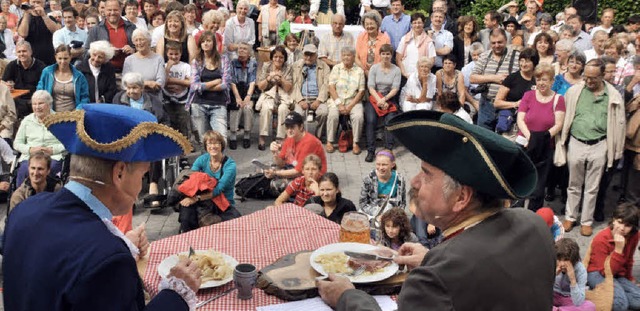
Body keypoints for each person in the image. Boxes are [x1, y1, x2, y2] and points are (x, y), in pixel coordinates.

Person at [317, 110, 555, 310]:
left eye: (427, 174)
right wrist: (432, 260)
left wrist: (346, 296)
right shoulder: (532, 223)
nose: (414, 181)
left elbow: (459, 273)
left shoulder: (432, 280)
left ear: (461, 197)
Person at [3, 103, 202, 310]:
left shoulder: (24, 210)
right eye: (142, 175)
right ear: (120, 173)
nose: (140, 187)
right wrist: (176, 293)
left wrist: (116, 243)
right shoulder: (110, 259)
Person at [556, 59, 626, 237]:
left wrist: (617, 150)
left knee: (593, 186)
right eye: (586, 77)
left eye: (593, 78)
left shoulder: (613, 96)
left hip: (600, 143)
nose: (588, 81)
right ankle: (571, 216)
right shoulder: (575, 91)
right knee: (573, 184)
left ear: (602, 76)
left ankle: (586, 220)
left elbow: (619, 124)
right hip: (576, 141)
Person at [113, 72, 167, 215]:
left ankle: (153, 186)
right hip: (127, 138)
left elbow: (163, 119)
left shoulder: (153, 101)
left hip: (149, 137)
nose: (131, 91)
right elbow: (115, 120)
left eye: (135, 88)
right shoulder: (118, 99)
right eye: (128, 88)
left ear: (142, 88)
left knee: (154, 150)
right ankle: (130, 195)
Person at [516, 63, 565, 211]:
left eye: (544, 79)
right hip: (525, 143)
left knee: (538, 188)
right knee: (520, 182)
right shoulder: (528, 95)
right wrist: (531, 137)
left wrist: (541, 139)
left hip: (545, 146)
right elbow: (520, 119)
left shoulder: (559, 99)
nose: (541, 83)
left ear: (552, 81)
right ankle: (515, 215)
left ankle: (533, 217)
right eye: (538, 80)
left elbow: (558, 124)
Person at [179, 129, 240, 231]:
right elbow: (191, 178)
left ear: (222, 145)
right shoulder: (202, 159)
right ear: (206, 147)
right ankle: (185, 234)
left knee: (215, 223)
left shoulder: (230, 165)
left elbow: (218, 190)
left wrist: (195, 199)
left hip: (222, 203)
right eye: (209, 144)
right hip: (204, 201)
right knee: (185, 211)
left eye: (216, 143)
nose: (213, 147)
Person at [586, 203, 640, 311]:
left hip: (618, 273)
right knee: (620, 305)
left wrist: (629, 278)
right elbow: (605, 272)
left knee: (637, 301)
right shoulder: (601, 238)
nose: (622, 228)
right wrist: (618, 250)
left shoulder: (634, 235)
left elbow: (629, 259)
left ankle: (611, 295)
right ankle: (590, 296)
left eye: (628, 225)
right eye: (620, 223)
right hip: (598, 273)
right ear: (614, 220)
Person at [12, 90, 64, 192]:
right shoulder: (27, 121)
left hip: (53, 156)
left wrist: (52, 150)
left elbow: (67, 144)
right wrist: (30, 150)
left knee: (50, 169)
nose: (37, 107)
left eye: (40, 103)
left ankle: (47, 198)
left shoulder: (59, 120)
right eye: (34, 104)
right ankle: (21, 199)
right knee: (24, 170)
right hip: (30, 156)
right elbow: (17, 143)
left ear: (49, 104)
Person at [471, 28, 520, 131]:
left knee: (503, 139)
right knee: (483, 137)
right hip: (486, 104)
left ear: (506, 41)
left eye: (500, 42)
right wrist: (494, 78)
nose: (496, 45)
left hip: (507, 105)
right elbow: (472, 78)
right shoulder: (484, 56)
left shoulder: (516, 56)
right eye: (493, 43)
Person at [187, 30, 230, 142]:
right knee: (203, 140)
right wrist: (215, 82)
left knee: (222, 139)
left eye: (208, 41)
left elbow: (225, 84)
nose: (205, 43)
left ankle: (219, 159)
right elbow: (194, 86)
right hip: (199, 103)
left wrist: (204, 86)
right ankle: (206, 160)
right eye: (203, 41)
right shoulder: (196, 61)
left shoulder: (223, 60)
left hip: (218, 104)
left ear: (214, 43)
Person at [264, 111, 327, 181]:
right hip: (294, 168)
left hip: (312, 176)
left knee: (276, 183)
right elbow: (281, 164)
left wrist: (275, 173)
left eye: (292, 127)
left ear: (301, 127)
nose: (289, 130)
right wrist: (275, 153)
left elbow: (299, 171)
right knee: (264, 171)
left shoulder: (309, 142)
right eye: (287, 127)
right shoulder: (290, 138)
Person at [327, 46, 365, 155]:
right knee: (333, 115)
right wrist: (339, 104)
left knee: (358, 117)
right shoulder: (336, 68)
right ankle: (330, 141)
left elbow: (361, 91)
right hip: (337, 100)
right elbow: (331, 87)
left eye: (348, 55)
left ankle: (355, 143)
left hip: (353, 101)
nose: (346, 57)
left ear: (353, 57)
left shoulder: (359, 71)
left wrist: (350, 106)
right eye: (344, 55)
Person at [493, 47, 538, 140]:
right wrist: (516, 104)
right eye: (522, 60)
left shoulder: (538, 80)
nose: (524, 64)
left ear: (534, 63)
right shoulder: (512, 78)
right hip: (512, 124)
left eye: (528, 61)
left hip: (531, 123)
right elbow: (497, 102)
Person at [365, 44, 400, 162]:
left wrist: (384, 100)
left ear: (391, 55)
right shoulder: (374, 68)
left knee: (390, 121)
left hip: (389, 98)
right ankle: (370, 150)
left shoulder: (396, 70)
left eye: (388, 54)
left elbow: (395, 89)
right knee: (370, 120)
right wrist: (379, 100)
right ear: (379, 55)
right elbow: (370, 87)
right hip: (375, 97)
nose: (385, 56)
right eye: (383, 54)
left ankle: (388, 149)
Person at [255, 46, 293, 149]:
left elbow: (288, 87)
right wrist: (269, 78)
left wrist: (281, 79)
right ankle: (262, 137)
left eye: (281, 57)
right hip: (268, 95)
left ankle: (280, 138)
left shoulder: (288, 67)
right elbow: (260, 86)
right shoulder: (266, 66)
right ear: (272, 57)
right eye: (275, 57)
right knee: (266, 108)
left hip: (283, 96)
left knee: (283, 109)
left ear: (284, 58)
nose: (278, 59)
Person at [291, 44, 330, 144]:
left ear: (316, 55)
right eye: (306, 54)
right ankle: (301, 137)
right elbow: (293, 85)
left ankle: (319, 136)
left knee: (324, 112)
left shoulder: (324, 66)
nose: (308, 57)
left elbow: (326, 85)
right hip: (302, 97)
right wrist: (300, 100)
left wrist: (319, 100)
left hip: (318, 98)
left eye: (311, 55)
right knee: (298, 114)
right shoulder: (296, 66)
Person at [84, 0, 135, 72]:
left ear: (121, 10)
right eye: (109, 10)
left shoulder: (131, 27)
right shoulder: (96, 30)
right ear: (104, 11)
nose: (112, 13)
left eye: (115, 10)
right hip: (104, 72)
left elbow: (141, 50)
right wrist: (105, 52)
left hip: (129, 71)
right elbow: (86, 52)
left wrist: (133, 50)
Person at [36, 45, 90, 111]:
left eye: (65, 58)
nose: (62, 62)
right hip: (51, 114)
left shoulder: (79, 76)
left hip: (74, 115)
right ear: (55, 57)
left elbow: (85, 97)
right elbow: (39, 92)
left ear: (70, 57)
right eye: (60, 58)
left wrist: (78, 110)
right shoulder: (47, 72)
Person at [1, 41, 45, 118]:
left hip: (34, 98)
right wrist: (7, 85)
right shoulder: (12, 65)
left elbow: (44, 86)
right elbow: (3, 82)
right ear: (16, 53)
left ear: (30, 52)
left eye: (24, 51)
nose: (21, 54)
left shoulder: (41, 66)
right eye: (19, 52)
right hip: (17, 99)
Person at [358, 149, 406, 221]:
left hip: (392, 213)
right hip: (372, 212)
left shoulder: (399, 179)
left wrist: (390, 215)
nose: (380, 168)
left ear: (392, 165)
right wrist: (377, 214)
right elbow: (362, 203)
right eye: (378, 164)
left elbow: (402, 204)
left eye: (384, 165)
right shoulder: (369, 179)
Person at [123, 29, 165, 100]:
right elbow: (125, 82)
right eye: (136, 40)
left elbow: (160, 83)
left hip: (154, 98)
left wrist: (136, 85)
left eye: (142, 39)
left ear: (149, 41)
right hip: (134, 98)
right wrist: (147, 83)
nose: (139, 43)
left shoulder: (158, 59)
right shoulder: (129, 60)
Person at [554, 238, 596, 311]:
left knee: (590, 306)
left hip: (569, 298)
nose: (562, 264)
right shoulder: (552, 262)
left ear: (573, 260)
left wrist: (573, 279)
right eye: (559, 259)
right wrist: (553, 275)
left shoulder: (580, 270)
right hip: (552, 295)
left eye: (566, 260)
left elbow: (578, 302)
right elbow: (541, 289)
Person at [228, 42, 256, 150]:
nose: (241, 50)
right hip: (235, 90)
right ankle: (233, 135)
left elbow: (252, 81)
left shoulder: (252, 63)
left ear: (249, 53)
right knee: (236, 107)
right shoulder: (233, 63)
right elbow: (232, 82)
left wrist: (248, 96)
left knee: (248, 108)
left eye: (244, 49)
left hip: (248, 89)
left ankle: (247, 135)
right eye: (239, 48)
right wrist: (238, 97)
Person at [17, 0, 60, 65]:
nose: (35, 4)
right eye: (33, 2)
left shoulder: (49, 17)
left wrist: (43, 15)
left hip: (48, 57)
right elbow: (23, 34)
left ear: (44, 4)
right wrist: (26, 14)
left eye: (38, 2)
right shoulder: (25, 19)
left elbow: (55, 31)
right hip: (31, 58)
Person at [396, 12, 435, 79]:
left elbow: (432, 60)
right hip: (406, 76)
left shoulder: (428, 41)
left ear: (423, 23)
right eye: (414, 23)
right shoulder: (405, 38)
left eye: (419, 23)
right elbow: (398, 58)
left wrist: (423, 73)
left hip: (421, 77)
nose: (417, 25)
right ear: (411, 24)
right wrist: (404, 73)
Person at [355, 11, 391, 77]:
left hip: (380, 73)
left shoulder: (385, 38)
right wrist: (365, 70)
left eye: (371, 24)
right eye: (367, 24)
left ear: (377, 24)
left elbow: (387, 58)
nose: (369, 26)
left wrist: (374, 70)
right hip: (362, 72)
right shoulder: (361, 37)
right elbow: (356, 57)